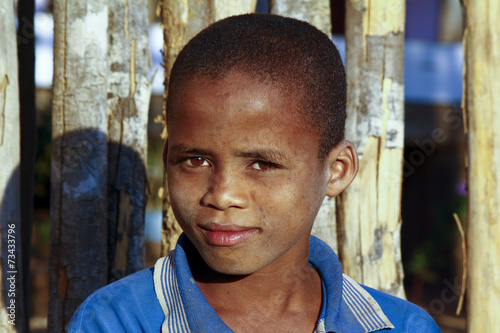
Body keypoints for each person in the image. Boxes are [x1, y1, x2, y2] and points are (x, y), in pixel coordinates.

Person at [69, 13, 440, 332]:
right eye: (195, 160)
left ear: (336, 171)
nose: (222, 195)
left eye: (263, 164)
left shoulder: (399, 326)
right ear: (168, 158)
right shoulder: (117, 321)